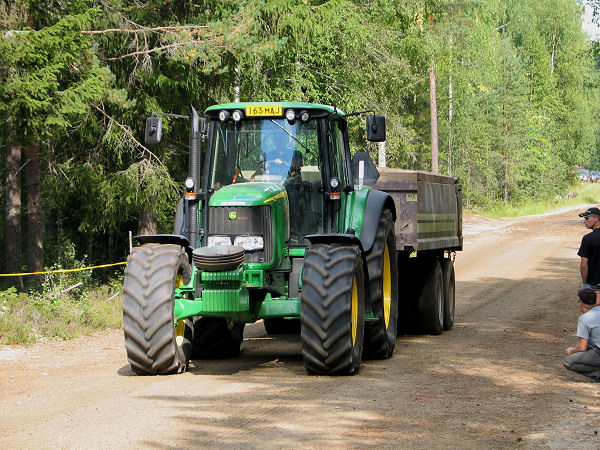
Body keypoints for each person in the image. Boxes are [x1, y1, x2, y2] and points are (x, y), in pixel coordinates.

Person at [563, 288, 600, 382]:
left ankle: (597, 374)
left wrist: (572, 350)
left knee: (568, 362)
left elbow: (582, 347)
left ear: (581, 304)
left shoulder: (584, 319)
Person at [577, 207, 600, 290]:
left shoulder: (588, 238)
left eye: (587, 218)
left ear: (596, 218)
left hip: (593, 283)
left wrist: (585, 282)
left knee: (593, 303)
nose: (584, 221)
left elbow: (583, 265)